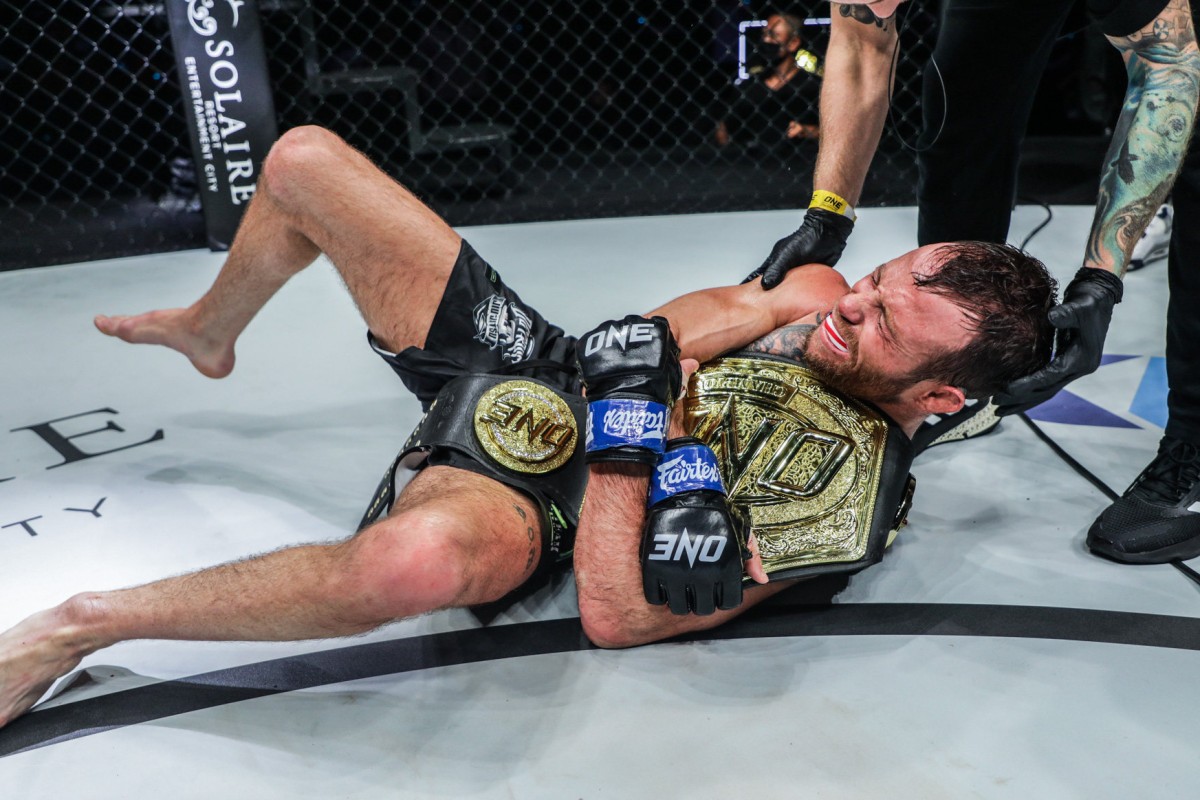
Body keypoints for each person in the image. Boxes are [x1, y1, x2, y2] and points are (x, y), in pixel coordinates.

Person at [0, 124, 1056, 730]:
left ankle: (77, 622)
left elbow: (618, 611)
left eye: (880, 324)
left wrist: (642, 433)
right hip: (549, 369)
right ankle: (209, 328)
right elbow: (660, 329)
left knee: (407, 564)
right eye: (873, 282)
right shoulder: (819, 292)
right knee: (305, 162)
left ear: (941, 397)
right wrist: (645, 369)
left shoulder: (846, 498)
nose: (847, 307)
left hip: (556, 494)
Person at [745, 0, 1200, 561]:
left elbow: (1166, 63)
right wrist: (828, 214)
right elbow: (863, 42)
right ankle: (958, 376)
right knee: (961, 99)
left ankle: (1195, 442)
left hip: (1169, 37)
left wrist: (1101, 281)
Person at [714, 12, 823, 149]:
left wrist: (806, 130)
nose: (766, 40)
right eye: (765, 34)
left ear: (793, 43)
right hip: (750, 165)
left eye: (774, 35)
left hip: (798, 164)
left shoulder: (813, 86)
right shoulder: (749, 86)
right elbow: (723, 133)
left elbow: (833, 132)